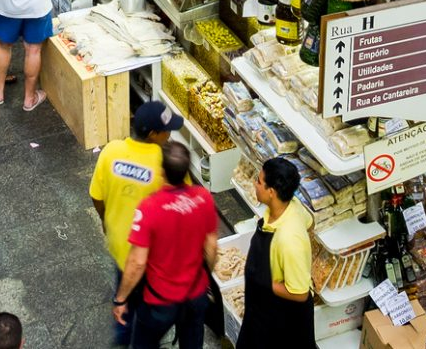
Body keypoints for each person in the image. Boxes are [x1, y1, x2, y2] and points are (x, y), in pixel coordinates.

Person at [116, 139, 218, 349]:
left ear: (162, 171)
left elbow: (137, 262)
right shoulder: (203, 198)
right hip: (195, 295)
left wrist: (121, 298)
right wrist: (205, 278)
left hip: (160, 301)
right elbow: (211, 247)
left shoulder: (149, 207)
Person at [93, 100, 178, 339]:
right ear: (154, 134)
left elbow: (96, 196)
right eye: (166, 130)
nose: (169, 134)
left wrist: (105, 220)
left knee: (124, 286)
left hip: (119, 244)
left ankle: (122, 329)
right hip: (150, 255)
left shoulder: (111, 150)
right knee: (148, 303)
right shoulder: (165, 163)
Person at [234, 158, 312, 349]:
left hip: (279, 320)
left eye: (259, 181)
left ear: (271, 192)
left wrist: (263, 281)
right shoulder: (292, 206)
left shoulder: (289, 240)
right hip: (260, 309)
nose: (255, 184)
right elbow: (310, 222)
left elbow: (300, 294)